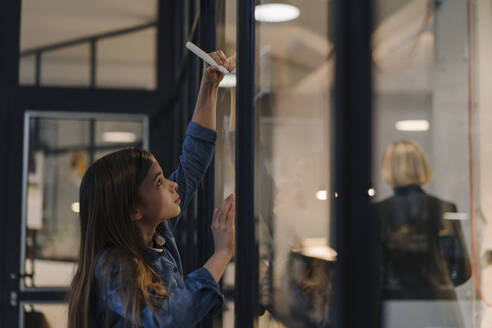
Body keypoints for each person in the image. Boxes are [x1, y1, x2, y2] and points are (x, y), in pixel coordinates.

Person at [68, 51, 236, 328]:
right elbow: (168, 320)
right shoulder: (114, 265)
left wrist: (210, 85)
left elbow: (193, 160)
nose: (172, 185)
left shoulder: (156, 235)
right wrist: (222, 254)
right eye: (159, 182)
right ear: (134, 210)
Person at [373, 140, 471, 328]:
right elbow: (461, 271)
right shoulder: (444, 209)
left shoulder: (376, 214)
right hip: (439, 313)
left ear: (388, 169)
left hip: (393, 314)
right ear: (421, 165)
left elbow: (371, 273)